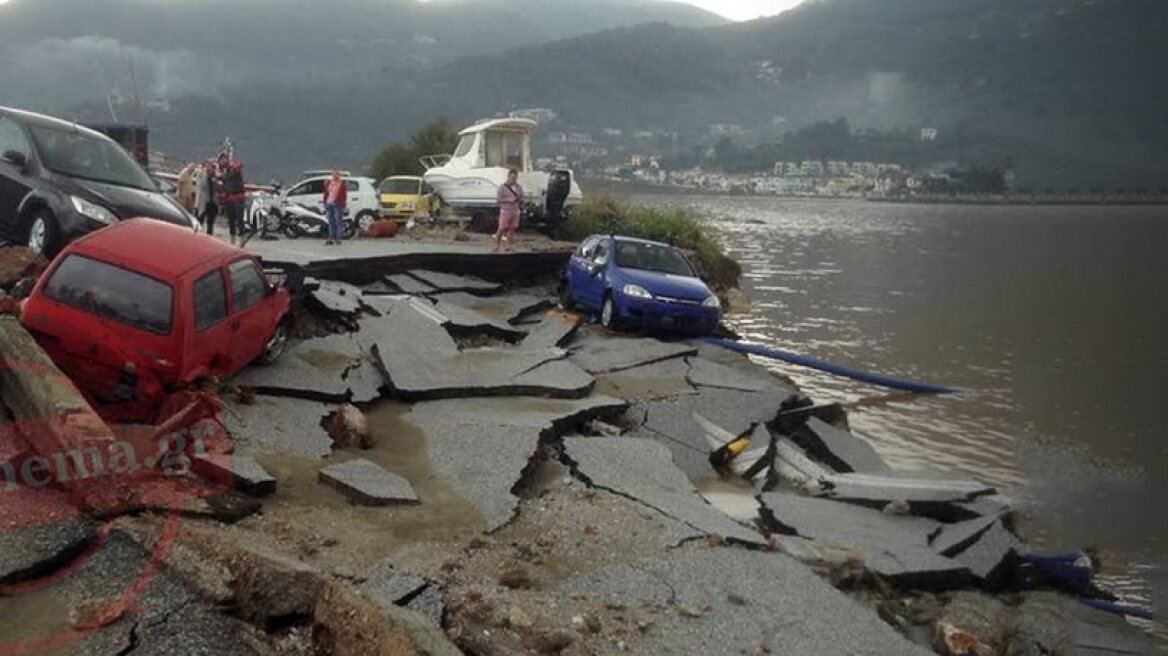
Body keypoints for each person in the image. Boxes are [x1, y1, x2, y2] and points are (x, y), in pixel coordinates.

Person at [217, 153, 247, 246]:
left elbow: (239, 166)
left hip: (238, 197)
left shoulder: (234, 168)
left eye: (225, 159)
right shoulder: (222, 173)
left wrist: (233, 166)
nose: (223, 161)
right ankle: (232, 240)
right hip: (229, 199)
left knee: (239, 219)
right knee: (231, 220)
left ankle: (242, 238)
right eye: (222, 160)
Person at [495, 168, 523, 252]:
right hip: (505, 210)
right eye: (512, 178)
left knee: (512, 228)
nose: (513, 180)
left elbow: (522, 197)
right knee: (502, 228)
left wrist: (519, 200)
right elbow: (498, 200)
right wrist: (508, 200)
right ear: (508, 177)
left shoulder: (518, 187)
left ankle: (509, 246)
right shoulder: (502, 187)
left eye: (515, 178)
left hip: (515, 210)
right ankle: (497, 245)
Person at [322, 170, 347, 246]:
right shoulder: (329, 183)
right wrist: (325, 202)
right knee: (330, 222)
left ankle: (338, 238)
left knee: (338, 222)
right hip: (329, 203)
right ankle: (330, 238)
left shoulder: (342, 184)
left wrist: (342, 203)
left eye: (336, 174)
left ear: (339, 175)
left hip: (337, 204)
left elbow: (344, 194)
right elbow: (326, 192)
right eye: (333, 174)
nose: (335, 175)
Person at [194, 162, 216, 233]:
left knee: (210, 224)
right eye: (206, 166)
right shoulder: (200, 175)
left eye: (210, 167)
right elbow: (202, 186)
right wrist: (205, 175)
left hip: (212, 203)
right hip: (202, 202)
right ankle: (197, 237)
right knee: (199, 221)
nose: (208, 168)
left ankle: (209, 237)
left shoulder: (214, 177)